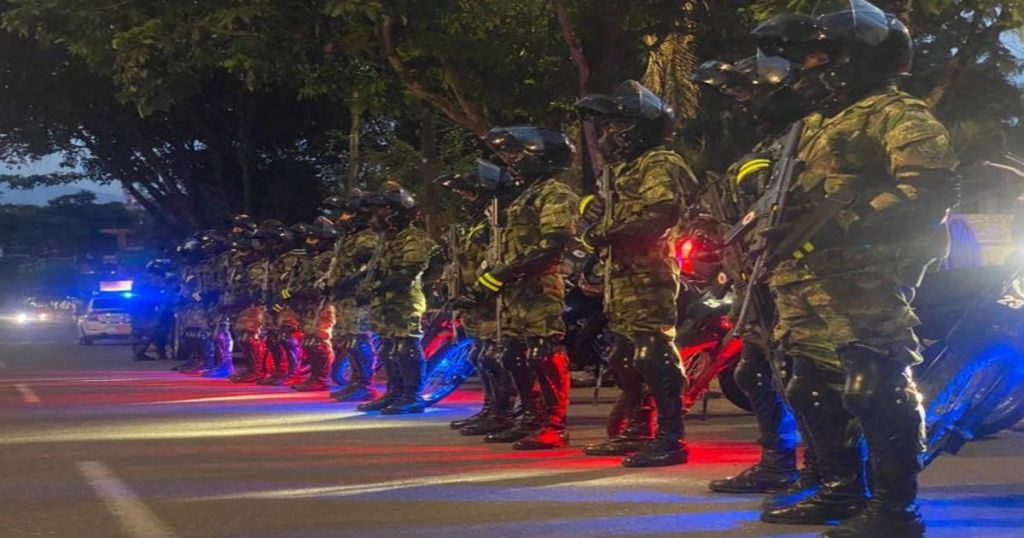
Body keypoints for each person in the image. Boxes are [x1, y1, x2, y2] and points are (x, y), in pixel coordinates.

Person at [752, 3, 959, 536]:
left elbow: (927, 190)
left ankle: (896, 510)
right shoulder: (815, 124)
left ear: (853, 57)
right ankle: (841, 491)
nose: (810, 69)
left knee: (873, 383)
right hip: (805, 280)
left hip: (864, 276)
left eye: (820, 56)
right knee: (807, 386)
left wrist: (841, 225)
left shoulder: (897, 113)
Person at [691, 58, 826, 499]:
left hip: (798, 278)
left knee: (805, 377)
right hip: (754, 280)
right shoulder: (768, 144)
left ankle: (826, 470)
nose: (741, 105)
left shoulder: (811, 135)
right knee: (754, 371)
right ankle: (778, 461)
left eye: (746, 94)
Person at [575, 80, 697, 467]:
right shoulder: (625, 169)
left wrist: (604, 234)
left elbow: (661, 213)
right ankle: (638, 429)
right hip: (622, 276)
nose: (609, 135)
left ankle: (671, 437)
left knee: (654, 352)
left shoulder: (659, 162)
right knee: (623, 357)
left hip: (649, 272)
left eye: (616, 125)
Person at [467, 126, 579, 450]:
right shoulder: (529, 194)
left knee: (544, 352)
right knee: (517, 354)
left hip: (539, 285)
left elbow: (552, 245)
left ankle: (555, 425)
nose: (513, 161)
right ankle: (532, 416)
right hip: (517, 287)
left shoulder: (554, 192)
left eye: (520, 154)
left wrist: (500, 275)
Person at [439, 173, 517, 435]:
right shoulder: (478, 223)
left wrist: (482, 288)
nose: (465, 200)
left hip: (492, 295)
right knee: (479, 355)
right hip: (475, 297)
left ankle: (503, 412)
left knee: (493, 356)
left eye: (469, 194)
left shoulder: (498, 222)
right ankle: (491, 408)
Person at [355, 182, 438, 415]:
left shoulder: (413, 238)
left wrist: (375, 288)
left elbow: (408, 272)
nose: (375, 215)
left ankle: (413, 396)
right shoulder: (387, 239)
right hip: (385, 303)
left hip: (405, 302)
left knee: (406, 347)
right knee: (387, 348)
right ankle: (395, 392)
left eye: (381, 210)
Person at [321, 195, 382, 402]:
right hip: (344, 296)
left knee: (358, 340)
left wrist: (350, 280)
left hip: (358, 296)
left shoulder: (367, 236)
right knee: (349, 341)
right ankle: (356, 382)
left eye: (347, 213)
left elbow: (369, 266)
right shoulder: (349, 237)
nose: (342, 218)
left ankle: (365, 384)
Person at [290, 219, 342, 392]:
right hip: (310, 306)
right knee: (308, 342)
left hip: (323, 304)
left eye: (313, 239)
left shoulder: (329, 258)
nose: (308, 242)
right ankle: (315, 376)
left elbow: (321, 284)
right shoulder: (311, 259)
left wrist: (301, 292)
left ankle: (321, 378)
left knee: (317, 341)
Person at [257, 220, 307, 386]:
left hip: (290, 304)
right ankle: (280, 371)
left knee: (287, 337)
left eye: (270, 241)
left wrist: (283, 299)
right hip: (273, 303)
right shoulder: (274, 259)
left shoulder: (297, 256)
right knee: (272, 337)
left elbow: (297, 282)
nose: (266, 245)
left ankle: (294, 372)